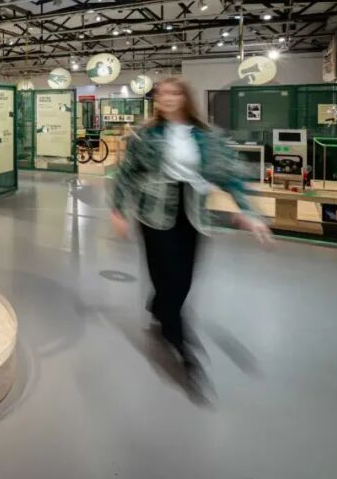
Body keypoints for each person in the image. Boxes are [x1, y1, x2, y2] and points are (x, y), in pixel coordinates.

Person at [110, 77, 273, 375]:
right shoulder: (145, 135)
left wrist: (247, 210)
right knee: (164, 272)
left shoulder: (208, 136)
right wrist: (118, 209)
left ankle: (162, 309)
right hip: (154, 211)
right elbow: (127, 173)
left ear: (185, 97)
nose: (167, 98)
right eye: (162, 93)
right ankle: (177, 336)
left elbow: (230, 174)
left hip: (193, 211)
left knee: (183, 276)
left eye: (174, 92)